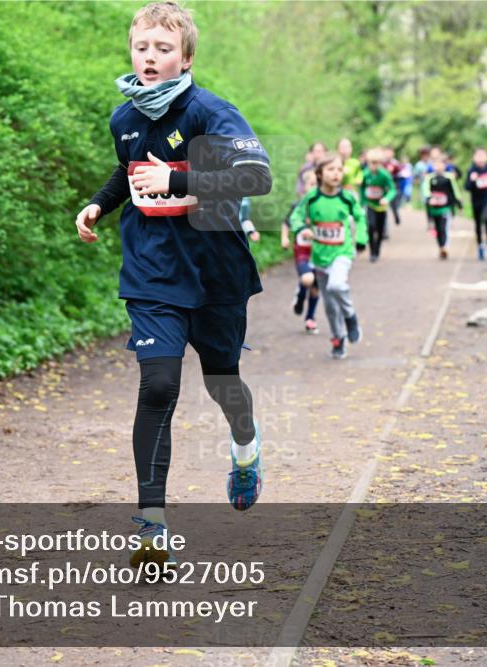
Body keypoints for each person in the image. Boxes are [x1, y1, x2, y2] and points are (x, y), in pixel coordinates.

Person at [74, 1, 271, 566]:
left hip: (215, 273)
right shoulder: (125, 118)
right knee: (157, 386)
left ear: (185, 57)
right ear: (132, 52)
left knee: (221, 383)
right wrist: (98, 203)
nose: (150, 57)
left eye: (163, 49)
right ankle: (152, 526)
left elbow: (256, 175)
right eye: (142, 47)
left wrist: (178, 175)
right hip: (152, 271)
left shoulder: (211, 112)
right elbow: (128, 168)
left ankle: (244, 447)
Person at [289, 153, 366, 359]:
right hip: (320, 257)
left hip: (342, 253)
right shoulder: (312, 197)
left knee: (337, 285)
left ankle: (350, 316)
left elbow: (359, 217)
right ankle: (338, 339)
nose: (336, 174)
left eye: (340, 170)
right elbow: (296, 215)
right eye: (331, 169)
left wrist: (361, 239)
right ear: (320, 174)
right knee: (330, 306)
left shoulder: (347, 197)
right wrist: (300, 229)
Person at [281, 168, 319, 333]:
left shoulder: (324, 206)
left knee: (316, 287)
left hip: (319, 253)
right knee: (307, 279)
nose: (315, 187)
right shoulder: (298, 206)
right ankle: (300, 298)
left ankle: (310, 318)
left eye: (318, 184)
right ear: (304, 187)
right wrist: (284, 238)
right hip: (302, 251)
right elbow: (286, 223)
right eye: (312, 184)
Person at [421, 157, 464, 260]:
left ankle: (444, 247)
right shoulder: (429, 178)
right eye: (436, 164)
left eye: (440, 164)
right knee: (438, 229)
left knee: (443, 228)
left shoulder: (449, 178)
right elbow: (426, 191)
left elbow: (455, 191)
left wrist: (459, 205)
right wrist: (429, 199)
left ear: (444, 166)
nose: (438, 167)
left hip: (446, 208)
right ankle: (441, 247)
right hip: (434, 209)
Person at [360, 147, 397, 262]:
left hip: (381, 206)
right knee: (371, 226)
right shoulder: (365, 174)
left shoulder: (384, 175)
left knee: (380, 230)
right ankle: (372, 252)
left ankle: (377, 249)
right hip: (370, 204)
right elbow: (362, 188)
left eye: (376, 163)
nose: (373, 165)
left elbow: (392, 189)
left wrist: (386, 198)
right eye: (371, 163)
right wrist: (362, 202)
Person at [382, 147, 403, 227]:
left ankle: (396, 215)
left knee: (394, 206)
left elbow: (401, 174)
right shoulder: (382, 163)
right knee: (384, 207)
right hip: (384, 189)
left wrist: (393, 172)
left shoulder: (396, 163)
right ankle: (385, 229)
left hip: (394, 188)